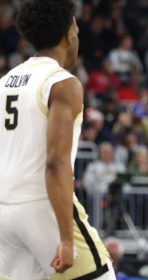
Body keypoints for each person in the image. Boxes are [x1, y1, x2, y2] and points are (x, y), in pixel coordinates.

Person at [0, 0, 115, 279]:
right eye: (76, 29)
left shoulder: (4, 82)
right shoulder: (62, 83)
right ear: (68, 34)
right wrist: (65, 238)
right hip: (43, 205)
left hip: (4, 211)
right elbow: (55, 162)